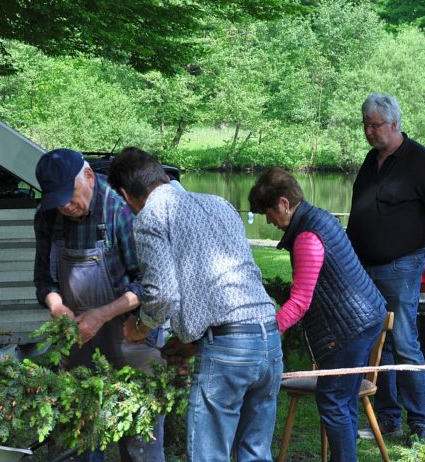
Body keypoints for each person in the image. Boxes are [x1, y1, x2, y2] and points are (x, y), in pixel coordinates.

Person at [108, 147, 282, 462]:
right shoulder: (219, 204)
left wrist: (139, 327)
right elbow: (221, 285)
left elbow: (161, 294)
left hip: (229, 351)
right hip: (268, 337)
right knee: (255, 453)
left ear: (125, 194)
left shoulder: (150, 217)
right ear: (162, 177)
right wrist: (189, 340)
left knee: (209, 455)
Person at [33, 148, 165, 462]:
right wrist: (56, 307)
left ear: (89, 177)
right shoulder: (48, 215)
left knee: (139, 438)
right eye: (57, 200)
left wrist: (102, 314)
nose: (65, 205)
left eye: (70, 195)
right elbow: (43, 279)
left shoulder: (121, 210)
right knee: (73, 435)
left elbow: (149, 285)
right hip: (79, 337)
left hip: (130, 334)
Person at [248, 167, 387, 462]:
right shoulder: (320, 217)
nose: (269, 221)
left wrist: (267, 334)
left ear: (284, 203)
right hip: (365, 318)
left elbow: (299, 302)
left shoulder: (308, 236)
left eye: (268, 213)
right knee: (343, 401)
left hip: (349, 328)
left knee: (334, 401)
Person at [346, 93, 425, 443]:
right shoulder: (370, 160)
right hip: (364, 267)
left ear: (394, 124)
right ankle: (389, 419)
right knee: (379, 344)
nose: (368, 131)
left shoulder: (421, 160)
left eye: (375, 125)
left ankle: (422, 426)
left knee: (405, 342)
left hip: (402, 265)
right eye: (365, 125)